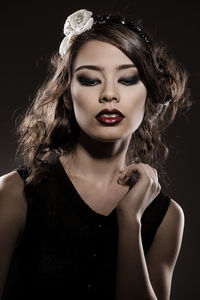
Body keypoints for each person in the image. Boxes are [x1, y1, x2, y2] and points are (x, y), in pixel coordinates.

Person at [0, 8, 192, 300]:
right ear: (67, 95)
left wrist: (130, 220)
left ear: (149, 93)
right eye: (90, 80)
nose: (109, 95)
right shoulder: (15, 193)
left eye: (127, 80)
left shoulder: (167, 218)